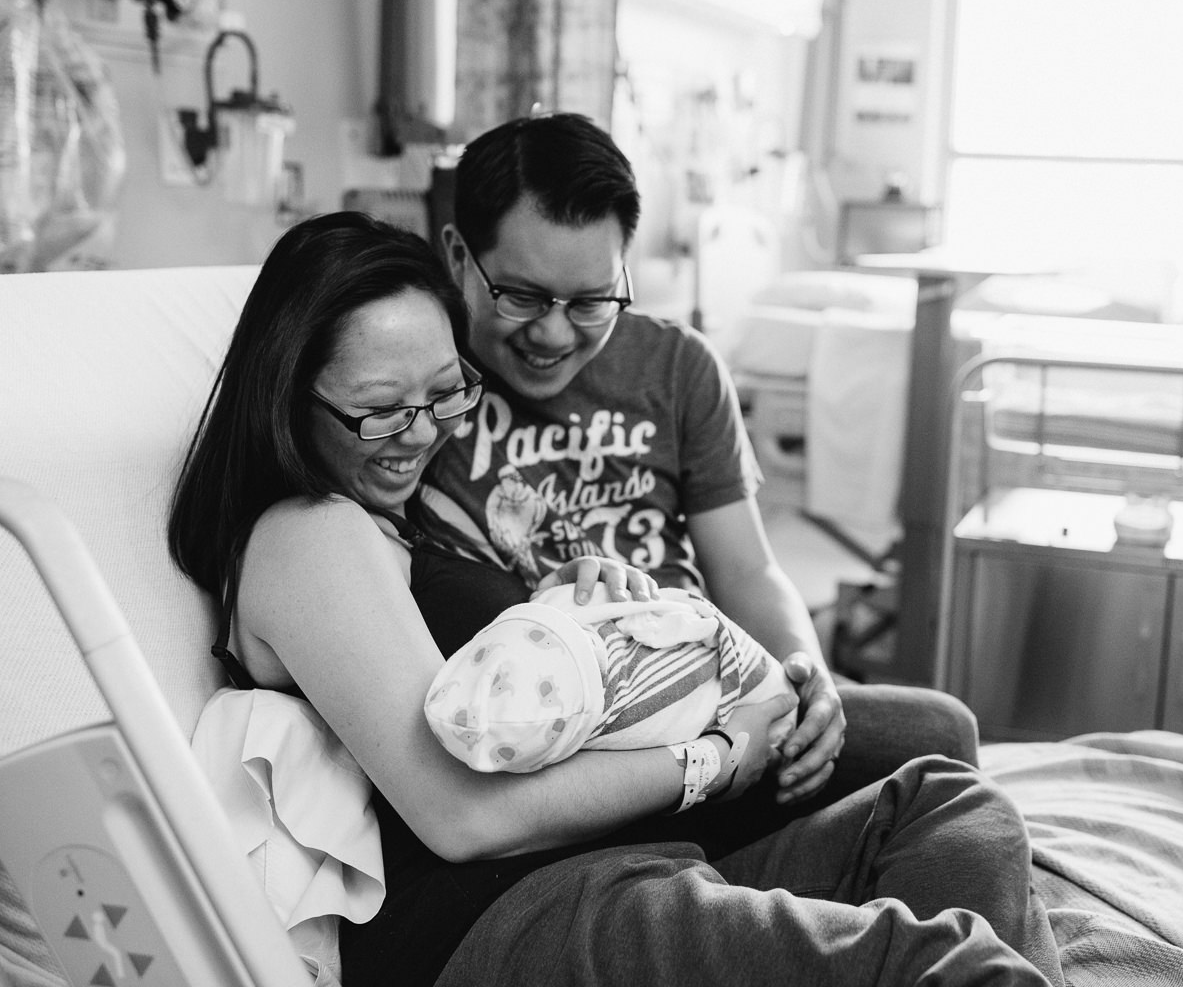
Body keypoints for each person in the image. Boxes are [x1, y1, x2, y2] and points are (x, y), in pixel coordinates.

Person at [167, 211, 1063, 987]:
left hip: (621, 863)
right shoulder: (307, 531)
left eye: (444, 395)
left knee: (954, 804)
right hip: (507, 922)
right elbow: (462, 816)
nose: (423, 433)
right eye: (380, 409)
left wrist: (567, 617)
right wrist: (717, 758)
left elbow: (480, 692)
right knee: (936, 963)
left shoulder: (400, 515)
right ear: (287, 397)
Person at [431, 110, 979, 810]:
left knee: (942, 736)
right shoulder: (425, 390)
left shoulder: (675, 366)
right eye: (523, 296)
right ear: (457, 256)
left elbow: (747, 567)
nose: (554, 331)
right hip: (561, 718)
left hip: (713, 687)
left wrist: (804, 675)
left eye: (592, 300)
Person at [425, 581, 795, 785]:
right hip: (746, 733)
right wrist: (716, 760)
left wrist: (809, 669)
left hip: (763, 714)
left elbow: (752, 570)